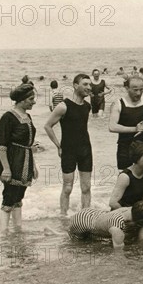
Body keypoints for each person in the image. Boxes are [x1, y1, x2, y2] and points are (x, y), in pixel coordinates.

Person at [44, 74, 93, 215]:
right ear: (75, 85)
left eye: (90, 85)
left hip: (85, 150)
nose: (88, 87)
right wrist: (58, 146)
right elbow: (47, 126)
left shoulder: (87, 106)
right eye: (85, 84)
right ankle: (63, 216)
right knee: (67, 187)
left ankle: (86, 217)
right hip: (68, 150)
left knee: (86, 187)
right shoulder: (63, 106)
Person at [0, 84, 39, 231]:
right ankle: (4, 233)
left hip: (25, 161)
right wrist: (6, 169)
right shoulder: (8, 117)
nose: (34, 102)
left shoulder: (27, 116)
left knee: (19, 197)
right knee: (9, 197)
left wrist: (33, 164)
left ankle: (17, 230)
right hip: (13, 161)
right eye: (31, 99)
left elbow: (28, 144)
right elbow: (1, 146)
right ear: (21, 100)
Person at [109, 74, 143, 170]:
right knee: (125, 179)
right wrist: (135, 129)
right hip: (124, 148)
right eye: (135, 90)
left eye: (141, 89)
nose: (139, 93)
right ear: (127, 88)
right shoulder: (118, 104)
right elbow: (112, 127)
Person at [69, 200, 143, 249]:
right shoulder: (117, 227)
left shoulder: (134, 209)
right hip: (81, 221)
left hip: (93, 213)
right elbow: (118, 252)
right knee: (79, 246)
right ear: (142, 220)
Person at [109, 141, 143, 210]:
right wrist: (128, 213)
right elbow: (112, 203)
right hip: (121, 211)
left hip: (137, 209)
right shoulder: (125, 177)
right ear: (137, 159)